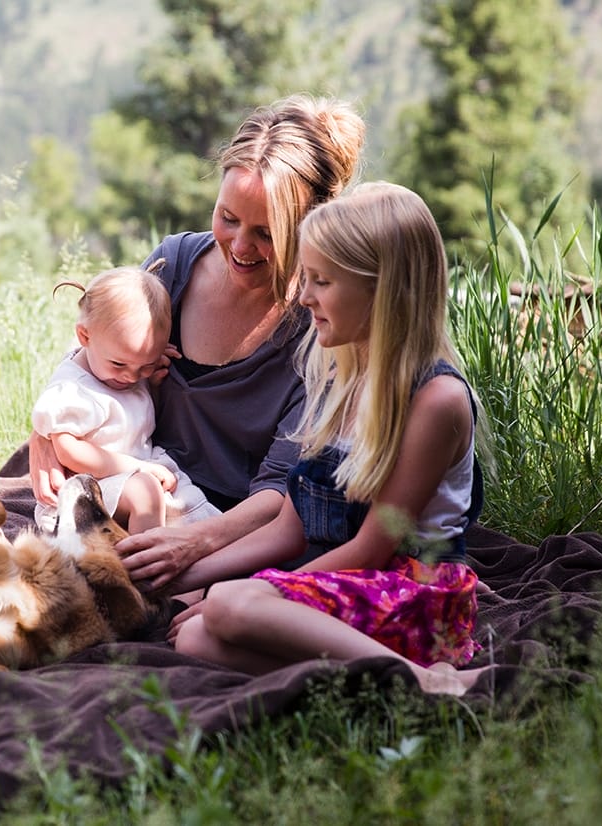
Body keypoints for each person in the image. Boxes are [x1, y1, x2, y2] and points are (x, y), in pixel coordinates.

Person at [28, 95, 366, 591]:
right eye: (227, 217)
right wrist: (45, 436)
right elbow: (95, 352)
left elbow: (281, 493)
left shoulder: (320, 329)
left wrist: (196, 542)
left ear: (310, 225)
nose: (240, 247)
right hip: (134, 482)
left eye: (266, 234)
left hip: (236, 526)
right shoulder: (174, 266)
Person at [169, 182, 486, 695]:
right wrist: (176, 574)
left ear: (383, 289)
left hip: (417, 594)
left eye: (322, 281)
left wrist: (262, 593)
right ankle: (374, 681)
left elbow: (373, 547)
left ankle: (426, 680)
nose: (306, 297)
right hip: (356, 590)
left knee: (228, 604)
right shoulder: (338, 377)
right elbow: (286, 533)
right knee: (197, 639)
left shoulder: (435, 400)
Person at [30, 265, 221, 535]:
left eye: (145, 365)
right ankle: (144, 560)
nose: (131, 377)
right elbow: (68, 451)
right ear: (85, 336)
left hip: (131, 476)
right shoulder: (74, 389)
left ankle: (197, 542)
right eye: (119, 363)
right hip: (87, 490)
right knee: (146, 493)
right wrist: (139, 468)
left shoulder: (123, 369)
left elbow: (130, 418)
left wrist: (150, 383)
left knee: (194, 509)